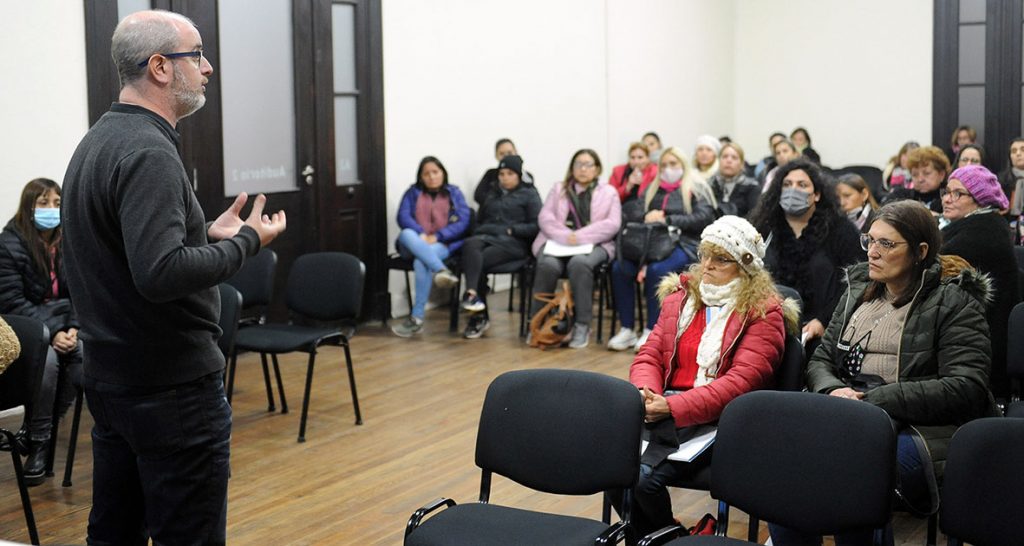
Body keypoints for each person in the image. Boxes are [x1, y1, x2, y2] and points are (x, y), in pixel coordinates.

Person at [61, 10, 287, 544]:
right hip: (169, 390)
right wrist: (246, 241)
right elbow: (159, 274)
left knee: (114, 532)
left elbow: (126, 253)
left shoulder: (98, 141)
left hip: (114, 378)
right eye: (197, 55)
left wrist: (203, 235)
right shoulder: (148, 151)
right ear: (160, 66)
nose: (207, 68)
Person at [779, 200, 998, 546]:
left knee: (849, 471)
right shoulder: (857, 292)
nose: (873, 253)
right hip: (844, 413)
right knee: (786, 467)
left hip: (920, 429)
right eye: (870, 241)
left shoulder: (954, 301)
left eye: (887, 244)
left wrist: (873, 401)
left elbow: (965, 386)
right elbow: (821, 359)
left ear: (920, 251)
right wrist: (834, 391)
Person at [608, 215, 796, 537]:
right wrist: (645, 392)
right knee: (611, 467)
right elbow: (650, 354)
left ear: (745, 266)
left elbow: (740, 385)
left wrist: (673, 408)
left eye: (720, 259)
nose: (706, 265)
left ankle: (666, 538)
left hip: (725, 420)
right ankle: (667, 538)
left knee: (640, 478)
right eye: (704, 254)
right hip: (666, 407)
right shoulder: (681, 298)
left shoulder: (764, 312)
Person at [0, 178, 83, 486]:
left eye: (58, 204)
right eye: (43, 203)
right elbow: (12, 302)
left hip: (63, 325)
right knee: (47, 359)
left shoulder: (69, 241)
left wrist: (73, 326)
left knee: (82, 353)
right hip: (26, 329)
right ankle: (38, 445)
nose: (52, 210)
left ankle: (38, 433)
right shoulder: (9, 243)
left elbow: (80, 292)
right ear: (28, 207)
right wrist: (53, 329)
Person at [607, 147, 716, 351]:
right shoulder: (652, 187)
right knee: (619, 268)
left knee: (658, 270)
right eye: (664, 165)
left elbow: (704, 217)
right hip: (649, 243)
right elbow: (635, 211)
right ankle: (627, 329)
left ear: (683, 165)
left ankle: (651, 329)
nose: (668, 169)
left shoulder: (696, 187)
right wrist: (646, 216)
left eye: (673, 164)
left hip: (683, 242)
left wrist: (668, 219)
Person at [748, 159, 863, 342]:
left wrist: (825, 320)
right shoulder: (762, 229)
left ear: (816, 194)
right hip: (768, 324)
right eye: (787, 184)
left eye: (802, 185)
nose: (793, 190)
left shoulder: (841, 230)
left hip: (822, 329)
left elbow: (855, 282)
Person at [940, 165, 1017, 398]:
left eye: (958, 194)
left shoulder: (979, 235)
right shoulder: (980, 225)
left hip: (981, 351)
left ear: (980, 200)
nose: (947, 199)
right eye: (947, 191)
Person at [530, 149, 621, 348]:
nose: (583, 169)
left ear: (597, 169)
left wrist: (579, 237)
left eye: (588, 165)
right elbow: (545, 218)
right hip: (557, 242)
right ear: (572, 168)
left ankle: (581, 324)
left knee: (579, 264)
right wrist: (564, 236)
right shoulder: (559, 189)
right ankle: (538, 322)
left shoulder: (608, 192)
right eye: (578, 164)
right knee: (546, 264)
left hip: (595, 245)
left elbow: (612, 224)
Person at [460, 154, 541, 339]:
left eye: (509, 173)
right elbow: (480, 220)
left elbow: (536, 225)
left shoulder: (529, 194)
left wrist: (514, 230)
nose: (504, 177)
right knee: (471, 245)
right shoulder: (492, 193)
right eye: (501, 173)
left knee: (475, 262)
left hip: (513, 244)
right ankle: (473, 296)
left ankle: (477, 315)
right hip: (487, 237)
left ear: (519, 175)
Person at [391, 157, 471, 337]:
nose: (431, 177)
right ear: (420, 176)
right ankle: (442, 270)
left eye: (435, 172)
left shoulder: (454, 193)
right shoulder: (412, 193)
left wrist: (438, 236)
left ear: (443, 173)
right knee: (406, 234)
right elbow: (403, 217)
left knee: (421, 262)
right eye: (426, 173)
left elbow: (463, 221)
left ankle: (417, 318)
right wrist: (421, 235)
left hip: (441, 244)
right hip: (413, 243)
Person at [885, 145, 949, 217]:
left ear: (941, 175)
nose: (920, 179)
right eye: (915, 174)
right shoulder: (900, 197)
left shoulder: (950, 199)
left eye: (926, 173)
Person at [473, 138, 534, 207]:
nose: (506, 156)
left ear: (516, 152)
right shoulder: (490, 174)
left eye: (509, 152)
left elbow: (532, 199)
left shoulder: (526, 176)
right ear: (496, 156)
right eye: (502, 154)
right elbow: (478, 196)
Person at [707, 142, 760, 217]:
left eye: (734, 158)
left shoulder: (752, 187)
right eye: (725, 157)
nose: (729, 161)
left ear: (741, 164)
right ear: (719, 161)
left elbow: (755, 217)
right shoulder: (710, 185)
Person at [999, 137, 1024, 215]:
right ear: (1010, 157)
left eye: (1023, 150)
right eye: (1014, 151)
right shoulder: (1000, 180)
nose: (1018, 153)